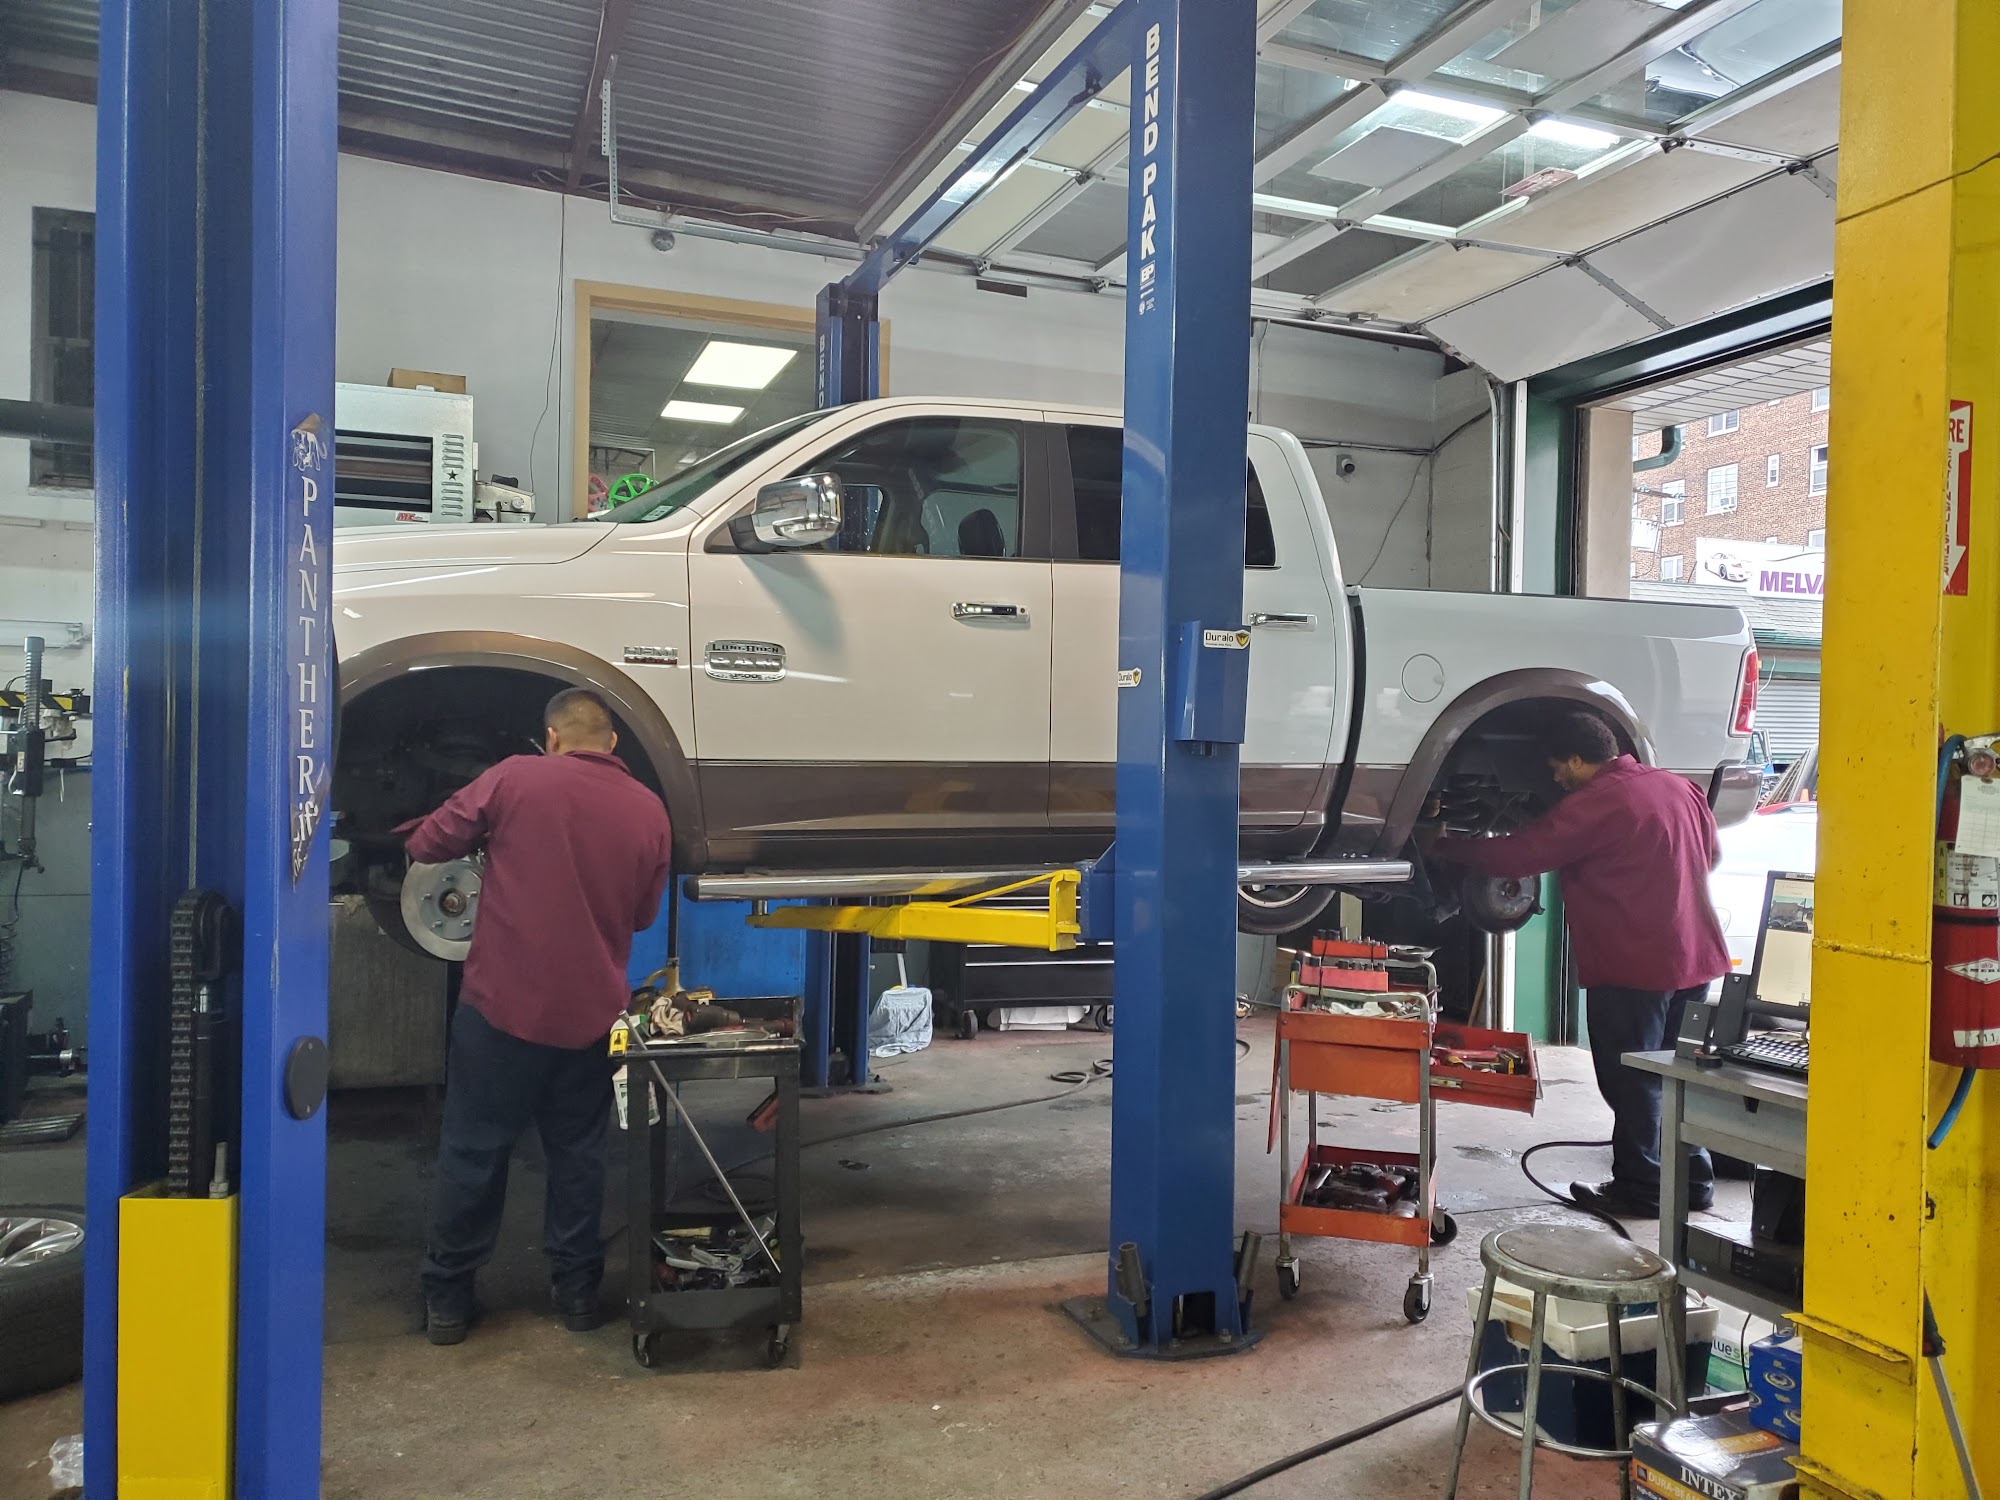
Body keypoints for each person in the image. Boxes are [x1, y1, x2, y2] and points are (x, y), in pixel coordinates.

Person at [403, 687, 673, 1345]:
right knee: (579, 1155)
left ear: (551, 737)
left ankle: (448, 1303)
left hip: (503, 1011)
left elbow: (430, 842)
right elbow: (642, 915)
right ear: (612, 742)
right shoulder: (649, 809)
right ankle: (577, 1295)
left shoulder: (515, 777)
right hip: (592, 1017)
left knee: (474, 1151)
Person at [1430, 710, 1730, 1217]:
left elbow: (1522, 855)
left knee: (1632, 1077)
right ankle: (1694, 1180)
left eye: (1556, 768)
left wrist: (1441, 846)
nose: (1555, 780)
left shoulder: (1597, 803)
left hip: (1635, 967)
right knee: (1679, 1075)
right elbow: (1712, 856)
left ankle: (1643, 1186)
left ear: (1575, 758)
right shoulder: (1679, 787)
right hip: (1697, 959)